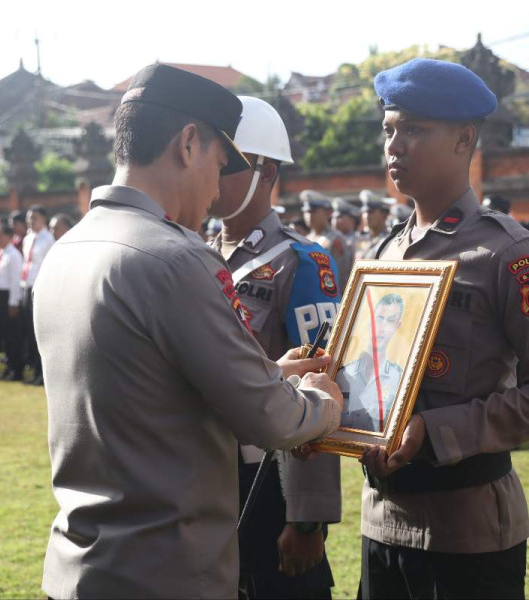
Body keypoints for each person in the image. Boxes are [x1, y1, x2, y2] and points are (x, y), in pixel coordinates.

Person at [34, 64, 343, 599]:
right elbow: (271, 417)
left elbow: (147, 386)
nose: (215, 188)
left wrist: (269, 371)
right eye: (219, 162)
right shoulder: (177, 257)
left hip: (81, 563)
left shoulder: (68, 249)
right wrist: (323, 400)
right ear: (189, 144)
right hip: (164, 570)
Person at [358, 58, 529, 599]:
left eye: (414, 129)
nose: (395, 146)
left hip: (466, 530)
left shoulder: (507, 251)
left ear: (464, 139)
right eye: (389, 129)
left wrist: (437, 430)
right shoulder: (382, 252)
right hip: (380, 518)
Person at [210, 95, 342, 599]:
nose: (213, 175)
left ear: (265, 172)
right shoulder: (193, 253)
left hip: (269, 479)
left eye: (227, 165)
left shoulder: (303, 262)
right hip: (206, 479)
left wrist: (307, 518)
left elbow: (322, 384)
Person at [335, 293, 405, 432]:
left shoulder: (400, 379)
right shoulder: (341, 374)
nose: (382, 328)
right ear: (370, 320)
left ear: (397, 326)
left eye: (390, 320)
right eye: (379, 318)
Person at [20, 205, 54, 385]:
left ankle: (42, 373)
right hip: (26, 285)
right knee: (28, 330)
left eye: (34, 218)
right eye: (28, 218)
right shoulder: (28, 238)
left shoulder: (48, 239)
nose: (30, 221)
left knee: (39, 332)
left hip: (40, 287)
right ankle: (33, 369)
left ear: (43, 219)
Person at [0, 224, 23, 381]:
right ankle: (9, 367)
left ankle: (16, 370)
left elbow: (15, 281)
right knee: (5, 336)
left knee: (12, 336)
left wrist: (13, 302)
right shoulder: (0, 253)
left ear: (9, 236)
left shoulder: (13, 254)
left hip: (7, 298)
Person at [302, 191, 353, 289]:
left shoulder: (336, 238)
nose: (309, 215)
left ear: (328, 213)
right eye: (306, 212)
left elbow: (341, 274)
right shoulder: (305, 239)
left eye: (313, 211)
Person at [356, 191, 393, 260]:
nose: (366, 216)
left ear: (384, 214)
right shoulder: (361, 238)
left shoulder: (391, 239)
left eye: (371, 212)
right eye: (365, 212)